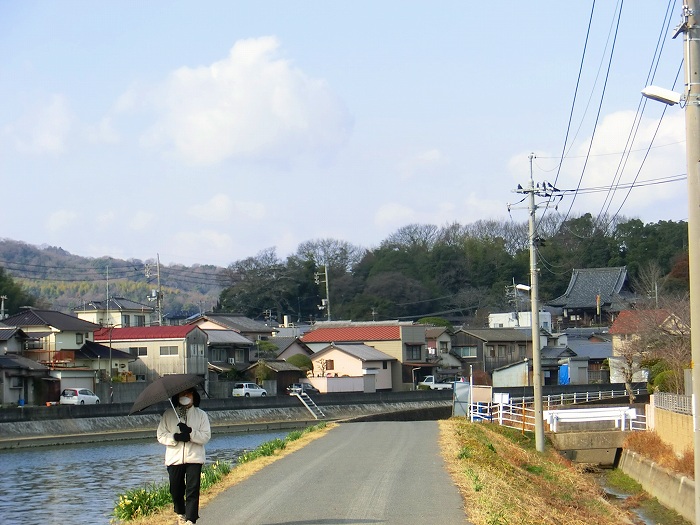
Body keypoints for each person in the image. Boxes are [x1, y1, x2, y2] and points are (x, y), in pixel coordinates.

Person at [157, 387, 211, 525]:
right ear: (177, 396)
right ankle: (181, 512)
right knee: (176, 490)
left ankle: (191, 519)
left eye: (188, 393)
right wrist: (176, 437)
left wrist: (191, 433)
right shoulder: (169, 414)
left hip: (194, 458)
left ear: (193, 396)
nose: (185, 395)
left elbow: (206, 436)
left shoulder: (201, 415)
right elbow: (161, 435)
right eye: (182, 393)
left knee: (192, 489)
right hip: (174, 459)